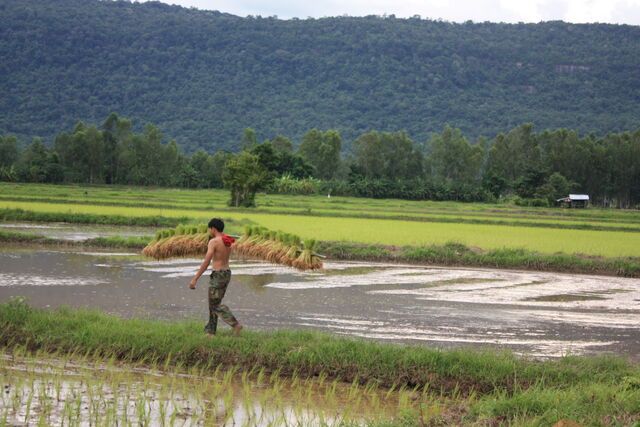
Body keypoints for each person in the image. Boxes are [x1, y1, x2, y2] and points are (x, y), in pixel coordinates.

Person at [189, 217, 243, 337]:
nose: (209, 231)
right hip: (227, 273)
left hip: (218, 275)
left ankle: (235, 324)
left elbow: (207, 261)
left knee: (215, 305)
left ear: (213, 229)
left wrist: (195, 278)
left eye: (210, 229)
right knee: (214, 302)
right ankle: (211, 332)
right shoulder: (227, 240)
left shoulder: (214, 241)